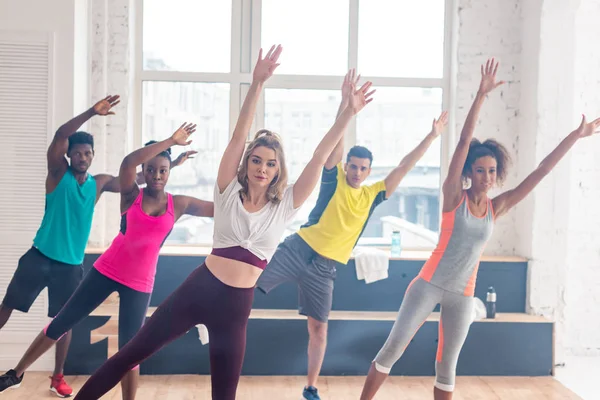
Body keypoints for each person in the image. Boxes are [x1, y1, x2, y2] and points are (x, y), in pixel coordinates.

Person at [71, 44, 374, 400]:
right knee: (130, 354)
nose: (262, 168)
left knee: (224, 395)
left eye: (271, 163)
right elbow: (237, 136)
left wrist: (347, 114)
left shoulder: (286, 205)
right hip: (199, 289)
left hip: (236, 308)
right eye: (257, 160)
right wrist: (257, 83)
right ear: (247, 164)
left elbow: (320, 156)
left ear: (279, 170)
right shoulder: (227, 189)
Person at [359, 58, 600, 400]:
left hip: (463, 296)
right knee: (392, 350)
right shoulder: (453, 196)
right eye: (480, 170)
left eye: (492, 171)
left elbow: (542, 171)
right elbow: (462, 143)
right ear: (470, 172)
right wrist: (481, 95)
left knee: (448, 367)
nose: (487, 177)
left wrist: (576, 136)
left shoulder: (496, 207)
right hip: (427, 285)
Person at [256, 68, 449, 400]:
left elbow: (404, 165)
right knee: (248, 287)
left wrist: (432, 137)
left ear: (369, 171)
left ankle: (311, 387)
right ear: (347, 166)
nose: (357, 171)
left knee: (318, 329)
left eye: (363, 168)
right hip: (297, 249)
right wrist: (347, 105)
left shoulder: (373, 194)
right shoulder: (333, 180)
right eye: (353, 166)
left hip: (325, 269)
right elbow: (333, 145)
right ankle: (210, 316)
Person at [0, 124, 213, 399]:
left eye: (162, 170)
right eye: (150, 169)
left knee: (130, 350)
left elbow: (216, 209)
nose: (156, 175)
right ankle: (15, 374)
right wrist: (170, 140)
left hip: (140, 283)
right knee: (60, 323)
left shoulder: (179, 203)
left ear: (170, 171)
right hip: (107, 270)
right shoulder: (131, 194)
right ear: (143, 172)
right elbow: (128, 163)